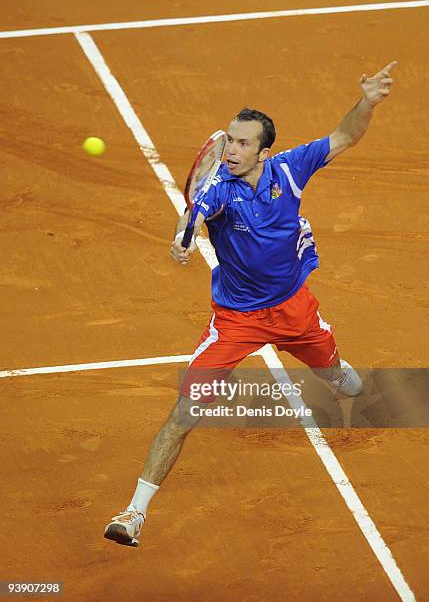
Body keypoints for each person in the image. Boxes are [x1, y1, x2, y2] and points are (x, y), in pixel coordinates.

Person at [104, 61, 397, 547]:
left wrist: (366, 102)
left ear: (265, 150)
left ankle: (333, 365)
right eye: (230, 142)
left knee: (345, 383)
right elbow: (195, 220)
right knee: (184, 412)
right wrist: (183, 241)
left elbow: (343, 137)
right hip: (236, 321)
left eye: (243, 143)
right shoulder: (217, 190)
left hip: (294, 309)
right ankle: (133, 513)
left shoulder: (290, 168)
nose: (232, 151)